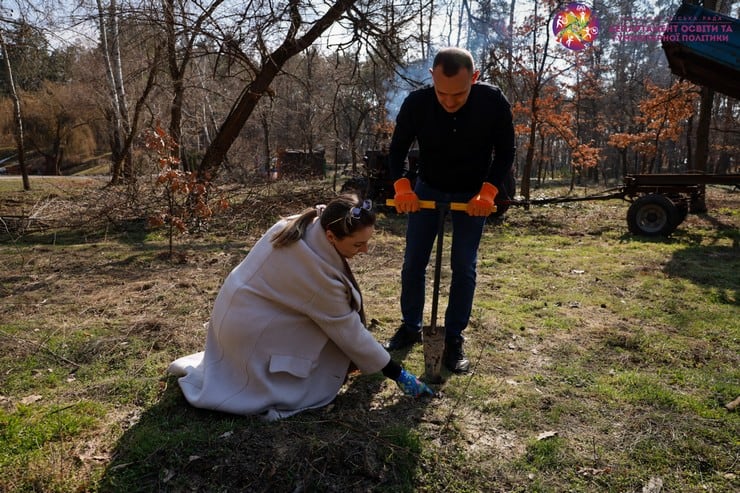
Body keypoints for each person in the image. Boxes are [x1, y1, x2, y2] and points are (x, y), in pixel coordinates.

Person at [168, 194, 433, 420]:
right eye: (357, 244)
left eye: (367, 242)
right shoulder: (316, 275)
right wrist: (398, 374)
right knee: (316, 367)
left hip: (237, 321)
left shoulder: (302, 225)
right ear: (331, 235)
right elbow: (349, 331)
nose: (364, 250)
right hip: (249, 336)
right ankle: (256, 377)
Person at [384, 47, 516, 373]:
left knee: (464, 266)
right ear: (432, 77)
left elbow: (505, 152)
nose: (449, 101)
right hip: (428, 188)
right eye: (442, 92)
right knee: (413, 262)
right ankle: (410, 327)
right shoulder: (417, 103)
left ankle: (454, 337)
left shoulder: (493, 102)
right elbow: (397, 149)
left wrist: (488, 191)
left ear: (475, 78)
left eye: (459, 94)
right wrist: (402, 187)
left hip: (473, 193)